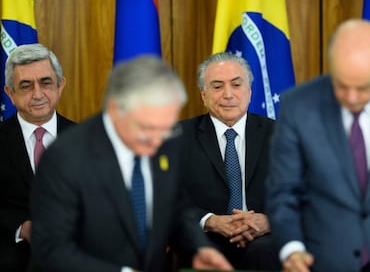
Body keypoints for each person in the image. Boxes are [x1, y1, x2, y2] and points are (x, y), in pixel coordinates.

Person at [30, 55, 233, 272]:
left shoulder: (167, 139)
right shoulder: (65, 157)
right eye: (147, 129)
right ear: (115, 109)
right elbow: (51, 250)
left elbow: (175, 206)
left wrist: (199, 248)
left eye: (165, 128)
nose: (157, 141)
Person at [266, 18, 370, 272]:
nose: (352, 98)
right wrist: (292, 248)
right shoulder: (298, 106)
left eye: (364, 88)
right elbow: (283, 191)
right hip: (323, 261)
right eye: (342, 86)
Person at [177, 52, 280, 270]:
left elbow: (305, 192)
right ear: (203, 95)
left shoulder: (280, 135)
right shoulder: (178, 137)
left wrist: (268, 221)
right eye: (217, 86)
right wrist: (210, 220)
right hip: (205, 236)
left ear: (250, 92)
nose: (228, 94)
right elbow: (165, 197)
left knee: (263, 251)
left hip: (264, 240)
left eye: (236, 85)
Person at [0, 43, 75, 271]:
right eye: (25, 86)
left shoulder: (90, 141)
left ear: (60, 86)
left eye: (45, 82)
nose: (38, 94)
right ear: (10, 94)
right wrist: (21, 227)